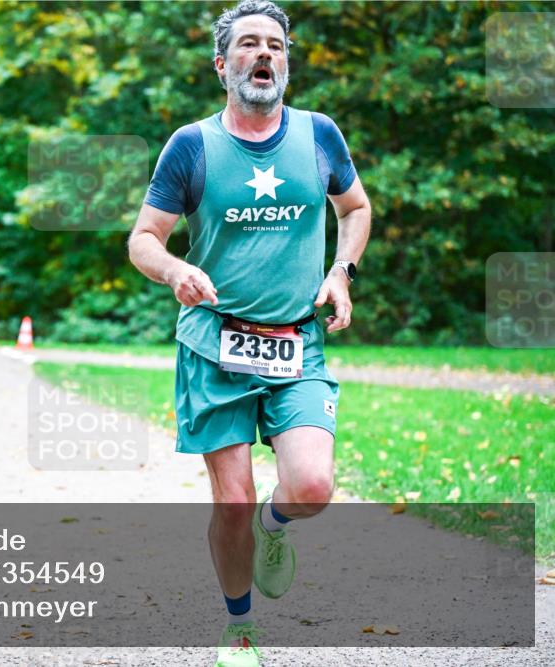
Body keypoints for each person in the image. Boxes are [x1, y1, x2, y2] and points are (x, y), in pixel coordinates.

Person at [127, 2, 371, 665]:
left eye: (276, 45)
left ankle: (276, 527)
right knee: (230, 500)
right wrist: (175, 269)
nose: (264, 54)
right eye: (248, 45)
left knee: (313, 487)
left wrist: (341, 271)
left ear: (286, 62)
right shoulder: (192, 145)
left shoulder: (319, 135)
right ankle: (239, 631)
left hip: (297, 340)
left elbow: (355, 207)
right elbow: (143, 240)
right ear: (222, 65)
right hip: (215, 346)